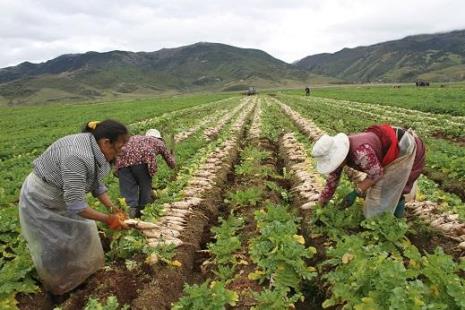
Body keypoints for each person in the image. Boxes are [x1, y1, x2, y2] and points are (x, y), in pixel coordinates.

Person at [18, 119, 130, 295]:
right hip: (42, 200)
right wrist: (109, 219)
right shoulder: (77, 157)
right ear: (106, 143)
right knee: (55, 245)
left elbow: (95, 184)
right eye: (120, 146)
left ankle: (87, 277)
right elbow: (77, 206)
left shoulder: (93, 147)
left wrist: (112, 209)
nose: (121, 151)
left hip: (64, 196)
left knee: (84, 234)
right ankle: (61, 289)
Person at [311, 124, 426, 218]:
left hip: (405, 149)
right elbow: (332, 181)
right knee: (385, 191)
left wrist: (356, 192)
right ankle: (389, 218)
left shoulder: (361, 153)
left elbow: (376, 175)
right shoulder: (344, 155)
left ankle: (390, 223)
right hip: (394, 147)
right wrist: (321, 205)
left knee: (383, 192)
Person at [115, 128, 176, 218]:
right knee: (145, 188)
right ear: (159, 138)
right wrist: (173, 161)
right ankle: (143, 213)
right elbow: (171, 162)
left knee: (128, 193)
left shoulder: (134, 138)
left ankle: (129, 218)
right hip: (142, 161)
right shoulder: (158, 142)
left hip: (122, 162)